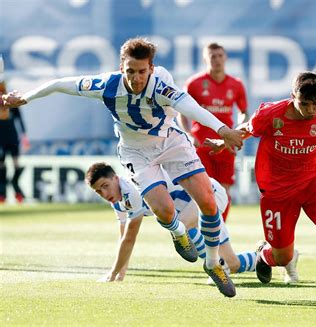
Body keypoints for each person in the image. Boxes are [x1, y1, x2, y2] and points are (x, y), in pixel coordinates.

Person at [1, 38, 244, 297]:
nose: (136, 78)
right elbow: (62, 84)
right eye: (130, 71)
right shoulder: (107, 85)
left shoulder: (161, 86)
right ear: (121, 68)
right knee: (164, 211)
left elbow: (191, 107)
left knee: (208, 201)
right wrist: (25, 97)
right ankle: (179, 232)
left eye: (141, 71)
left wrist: (223, 129)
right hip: (136, 152)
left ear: (151, 68)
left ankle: (212, 263)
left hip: (171, 142)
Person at [205, 71, 316, 304]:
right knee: (282, 256)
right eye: (304, 104)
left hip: (312, 181)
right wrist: (224, 141)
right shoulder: (271, 114)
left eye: (315, 104)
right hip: (277, 191)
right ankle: (264, 256)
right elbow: (248, 128)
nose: (311, 110)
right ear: (293, 95)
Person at [85, 162, 298, 284]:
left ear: (116, 178)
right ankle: (276, 257)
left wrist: (113, 275)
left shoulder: (132, 190)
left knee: (181, 228)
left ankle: (214, 267)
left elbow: (130, 237)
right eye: (98, 191)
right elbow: (124, 239)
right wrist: (121, 272)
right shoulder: (119, 200)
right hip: (195, 208)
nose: (104, 193)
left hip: (210, 197)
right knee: (233, 264)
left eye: (105, 186)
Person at [181, 43, 248, 222]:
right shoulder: (194, 84)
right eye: (213, 56)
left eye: (220, 56)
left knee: (224, 190)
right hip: (201, 146)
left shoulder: (236, 85)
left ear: (225, 57)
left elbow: (243, 111)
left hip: (226, 145)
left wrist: (238, 130)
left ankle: (220, 229)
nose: (217, 60)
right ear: (206, 59)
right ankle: (200, 228)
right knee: (204, 190)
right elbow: (182, 110)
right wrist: (188, 133)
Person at [0, 56, 29, 204]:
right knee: (2, 166)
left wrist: (24, 136)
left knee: (17, 165)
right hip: (0, 136)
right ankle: (2, 193)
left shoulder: (10, 99)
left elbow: (19, 119)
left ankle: (16, 187)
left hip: (12, 135)